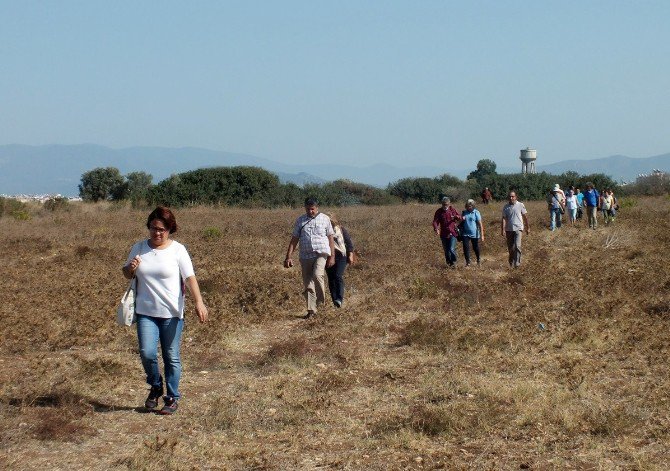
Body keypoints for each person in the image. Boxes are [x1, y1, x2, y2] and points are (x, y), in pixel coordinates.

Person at [122, 206, 208, 415]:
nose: (157, 233)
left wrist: (199, 302)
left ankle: (172, 397)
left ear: (170, 229)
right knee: (147, 352)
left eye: (161, 229)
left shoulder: (178, 250)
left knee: (171, 356)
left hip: (172, 313)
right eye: (153, 228)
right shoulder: (139, 248)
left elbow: (189, 278)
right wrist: (130, 268)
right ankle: (155, 385)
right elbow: (126, 273)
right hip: (146, 312)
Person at [284, 197, 335, 319]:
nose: (310, 211)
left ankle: (321, 306)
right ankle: (311, 311)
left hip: (321, 253)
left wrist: (332, 256)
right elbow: (294, 240)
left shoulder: (325, 219)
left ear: (317, 208)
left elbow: (331, 239)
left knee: (318, 275)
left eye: (312, 209)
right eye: (308, 209)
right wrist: (288, 257)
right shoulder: (300, 220)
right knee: (308, 284)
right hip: (305, 255)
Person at [325, 213, 355, 308]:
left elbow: (349, 243)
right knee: (331, 278)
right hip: (328, 256)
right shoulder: (322, 231)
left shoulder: (341, 229)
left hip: (341, 256)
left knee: (338, 275)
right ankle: (335, 301)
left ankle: (339, 298)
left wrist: (350, 255)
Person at [501, 191, 530, 268]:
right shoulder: (506, 207)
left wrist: (528, 227)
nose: (511, 198)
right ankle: (511, 262)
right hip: (509, 230)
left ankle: (517, 263)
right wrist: (502, 229)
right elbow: (504, 218)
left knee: (517, 246)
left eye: (513, 196)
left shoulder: (520, 205)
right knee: (511, 248)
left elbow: (525, 217)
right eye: (510, 196)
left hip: (518, 228)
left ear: (516, 197)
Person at [432, 196, 462, 268]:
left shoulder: (452, 210)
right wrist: (436, 229)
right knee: (446, 251)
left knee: (451, 249)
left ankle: (454, 262)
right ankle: (449, 264)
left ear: (449, 204)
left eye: (446, 204)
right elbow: (435, 222)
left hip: (453, 233)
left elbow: (460, 218)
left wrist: (457, 217)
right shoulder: (439, 211)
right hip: (443, 234)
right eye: (443, 204)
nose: (445, 206)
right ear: (441, 204)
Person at [460, 199, 484, 266]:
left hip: (474, 234)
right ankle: (468, 262)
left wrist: (482, 235)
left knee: (475, 247)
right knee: (465, 247)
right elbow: (460, 222)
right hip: (465, 233)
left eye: (470, 206)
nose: (469, 207)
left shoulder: (476, 212)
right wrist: (461, 219)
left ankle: (478, 259)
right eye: (468, 206)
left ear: (473, 206)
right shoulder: (464, 212)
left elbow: (480, 224)